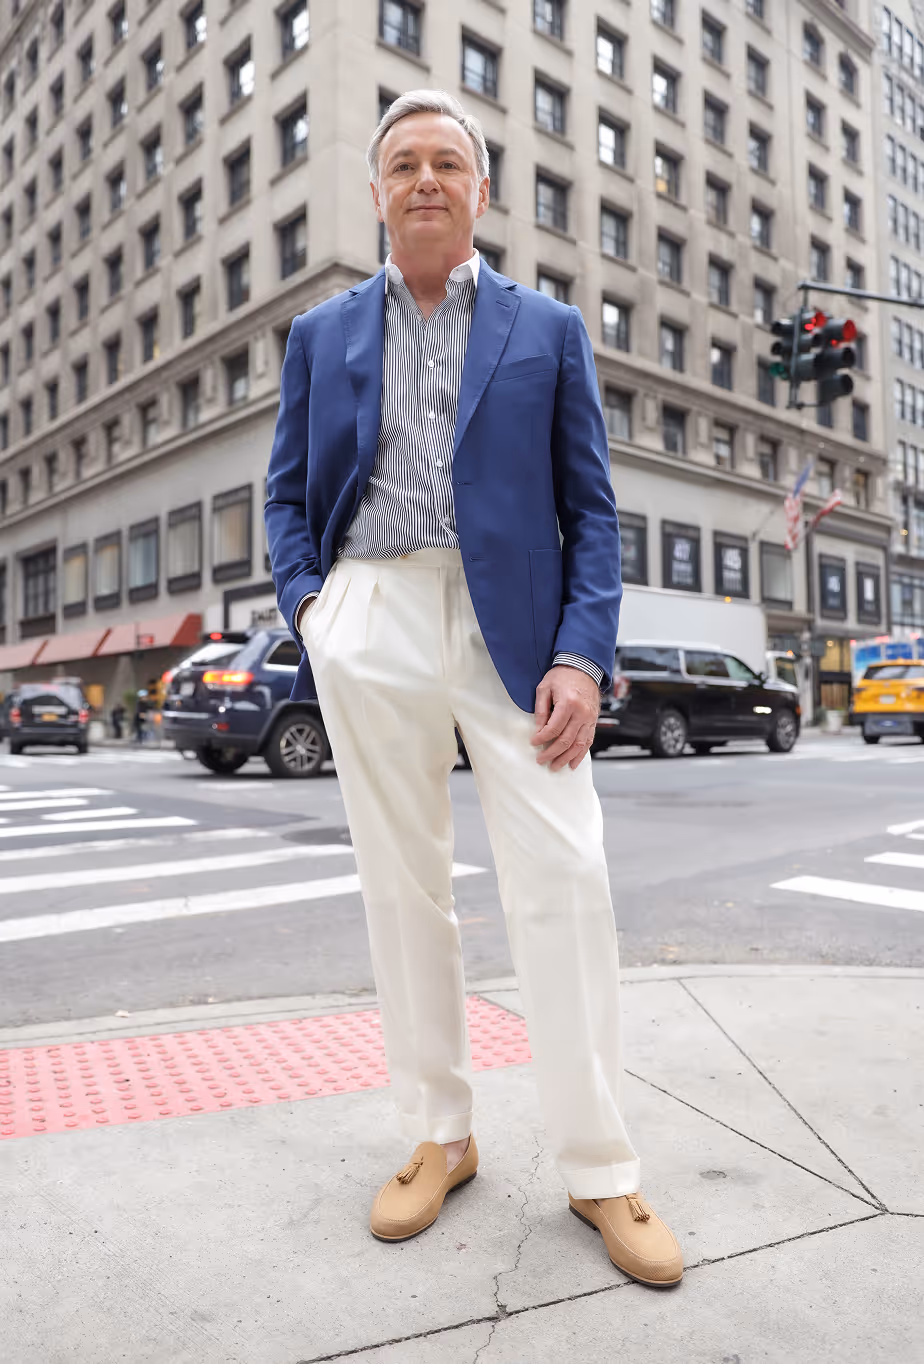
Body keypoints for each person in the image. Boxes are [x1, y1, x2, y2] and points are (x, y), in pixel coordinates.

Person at [265, 90, 682, 1287]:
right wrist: (316, 612)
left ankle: (600, 1165)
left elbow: (592, 509)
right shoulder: (321, 334)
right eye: (404, 163)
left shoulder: (548, 328)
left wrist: (581, 656)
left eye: (448, 162)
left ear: (482, 191)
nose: (426, 179)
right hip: (373, 610)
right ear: (378, 192)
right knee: (403, 888)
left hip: (518, 631)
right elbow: (285, 494)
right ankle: (440, 1132)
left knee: (568, 877)